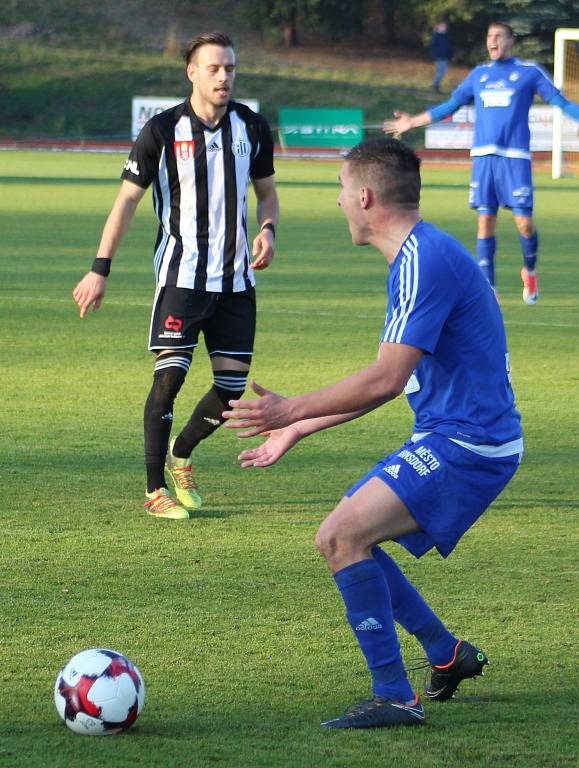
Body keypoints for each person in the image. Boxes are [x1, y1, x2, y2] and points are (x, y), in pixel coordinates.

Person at [223, 138, 523, 729]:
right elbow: (395, 380)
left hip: (470, 444)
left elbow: (385, 379)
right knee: (352, 530)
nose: (337, 202)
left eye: (340, 189)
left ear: (364, 197)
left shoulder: (422, 261)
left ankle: (394, 695)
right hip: (453, 434)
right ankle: (447, 653)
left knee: (340, 537)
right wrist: (299, 429)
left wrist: (291, 411)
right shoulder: (420, 254)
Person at [73, 31, 279, 520]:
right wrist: (99, 269)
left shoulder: (251, 126)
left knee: (231, 389)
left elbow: (267, 193)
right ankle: (153, 491)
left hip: (235, 283)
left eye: (230, 67)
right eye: (214, 68)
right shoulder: (162, 131)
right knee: (168, 381)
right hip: (182, 279)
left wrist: (268, 229)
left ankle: (182, 454)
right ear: (191, 72)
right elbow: (126, 201)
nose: (224, 76)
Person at [384, 21, 579, 304]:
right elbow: (451, 105)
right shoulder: (479, 75)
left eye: (499, 36)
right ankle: (489, 289)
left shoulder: (528, 72)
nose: (493, 41)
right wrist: (413, 121)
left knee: (524, 224)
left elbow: (560, 102)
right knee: (485, 220)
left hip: (515, 159)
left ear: (511, 41)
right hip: (484, 158)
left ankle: (530, 269)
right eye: (490, 36)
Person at [429, 21, 453, 94]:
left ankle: (436, 85)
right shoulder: (435, 36)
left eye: (445, 26)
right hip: (438, 57)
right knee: (440, 71)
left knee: (443, 71)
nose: (444, 28)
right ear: (438, 27)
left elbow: (449, 47)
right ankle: (435, 85)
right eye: (442, 26)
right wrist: (435, 55)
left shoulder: (446, 36)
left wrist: (450, 55)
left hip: (445, 57)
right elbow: (433, 47)